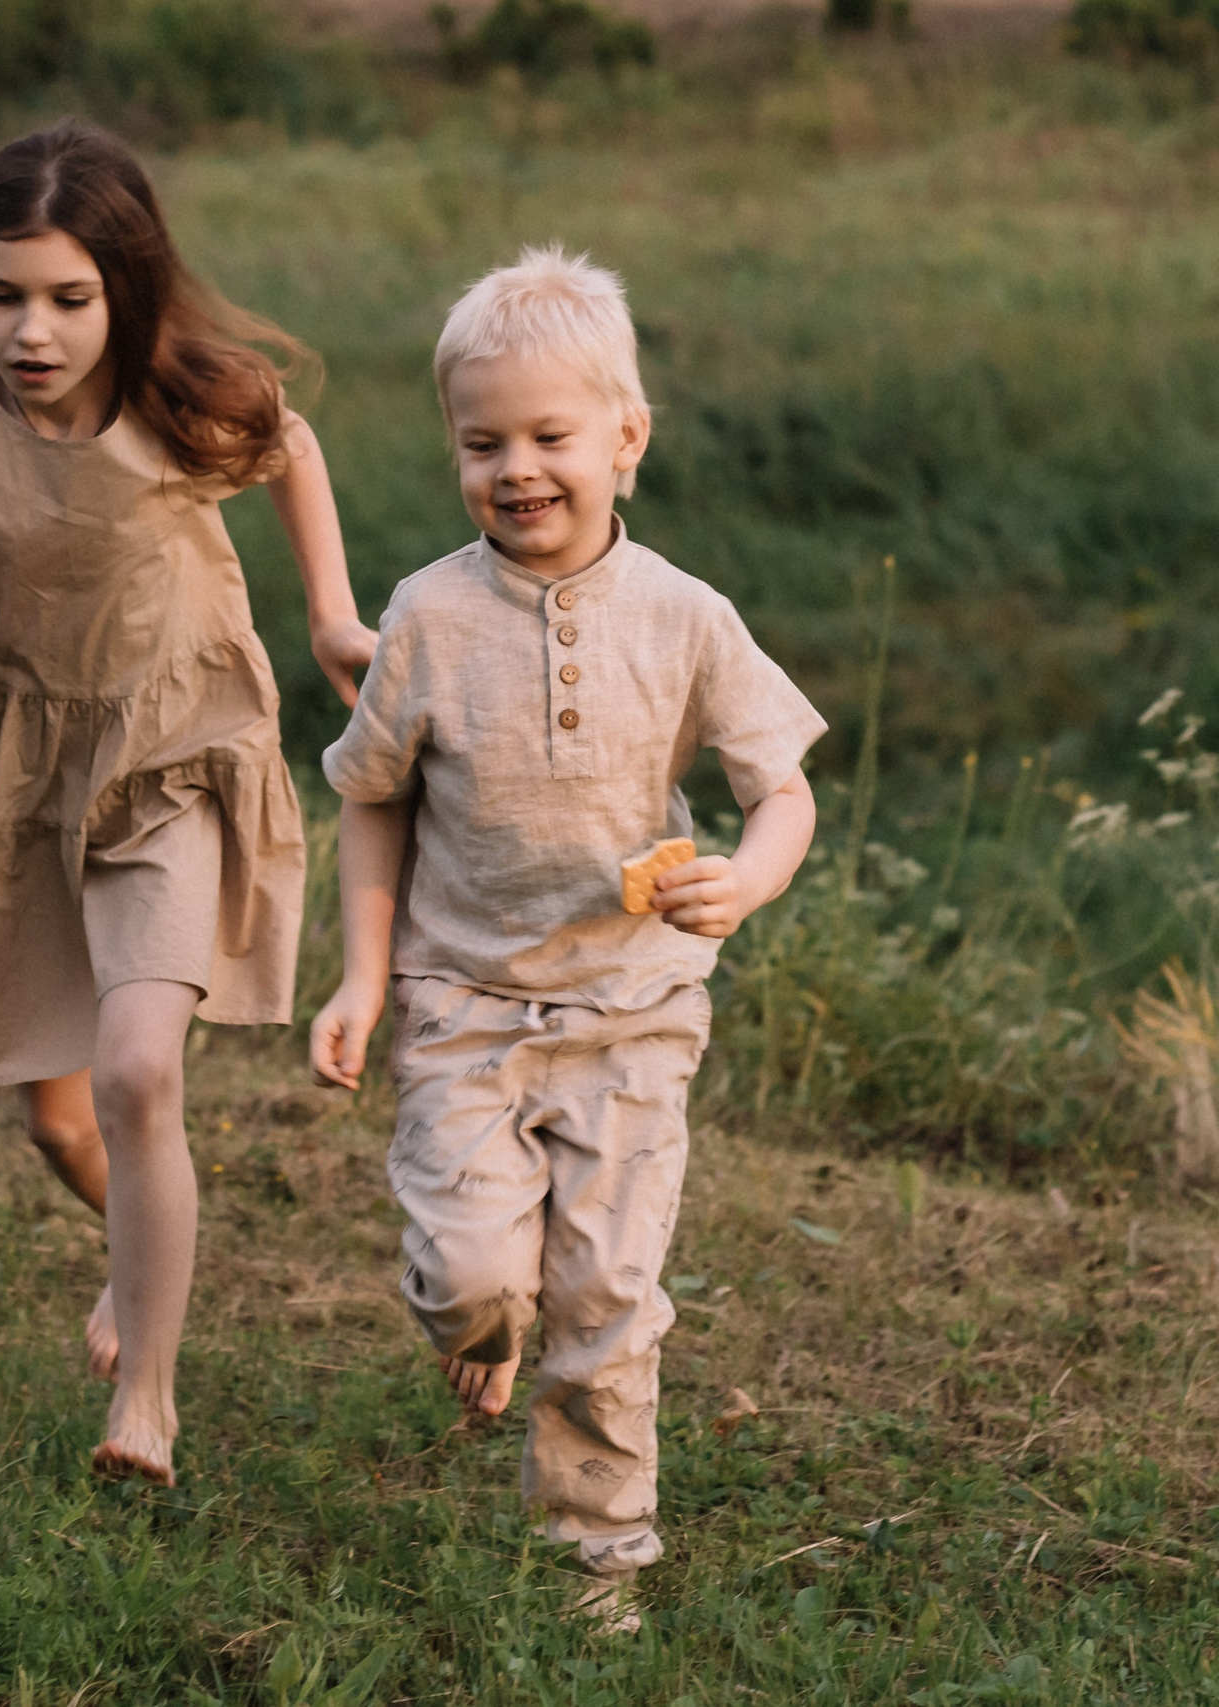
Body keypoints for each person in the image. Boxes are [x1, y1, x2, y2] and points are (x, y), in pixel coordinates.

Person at [0, 121, 377, 1485]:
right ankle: (133, 1257)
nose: (32, 330)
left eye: (68, 299)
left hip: (174, 753)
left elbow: (294, 445)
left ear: (123, 291)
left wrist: (331, 614)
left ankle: (147, 1399)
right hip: (17, 769)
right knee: (62, 1120)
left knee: (143, 1073)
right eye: (1, 294)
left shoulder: (175, 396)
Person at [308, 246, 824, 1626]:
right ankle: (482, 1323)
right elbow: (370, 801)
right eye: (484, 442)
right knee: (472, 1279)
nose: (516, 467)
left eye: (549, 436)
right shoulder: (428, 614)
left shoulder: (683, 615)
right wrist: (362, 979)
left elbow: (783, 786)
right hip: (462, 1001)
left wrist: (749, 878)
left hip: (635, 1008)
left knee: (609, 1297)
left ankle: (598, 1556)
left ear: (627, 440)